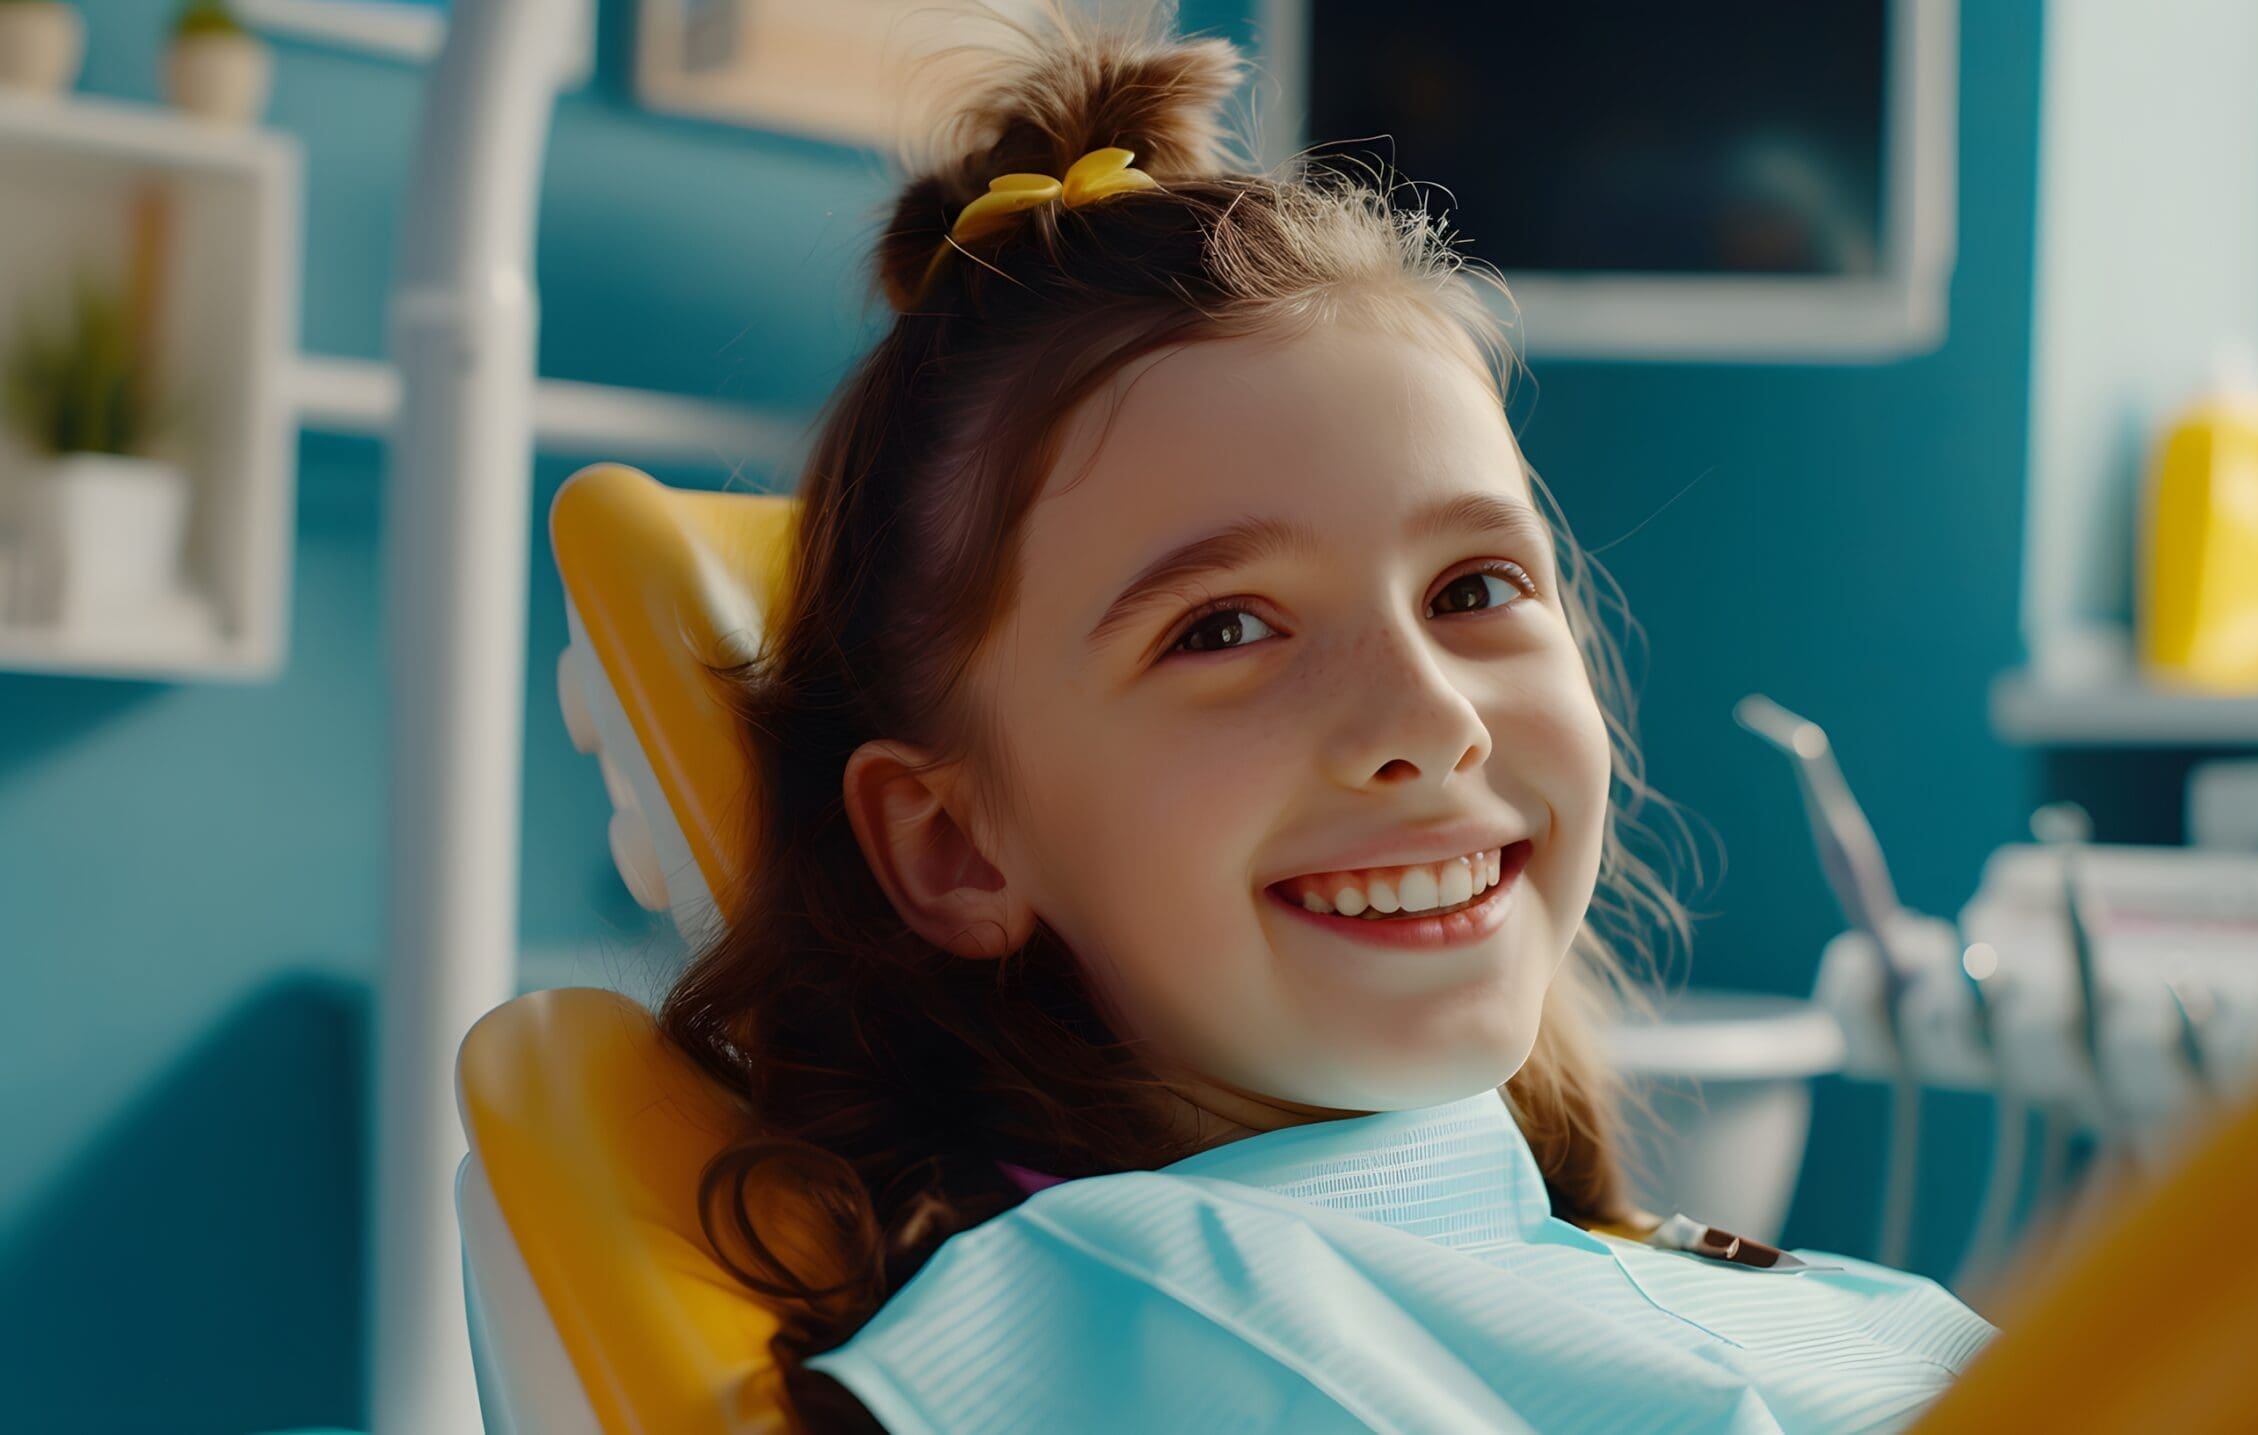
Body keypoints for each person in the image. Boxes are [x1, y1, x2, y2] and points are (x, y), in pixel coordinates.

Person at [657, 3, 1992, 1429]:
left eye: (1477, 587)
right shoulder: (1146, 1303)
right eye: (1222, 629)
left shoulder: (1661, 1274)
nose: (1430, 718)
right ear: (954, 850)